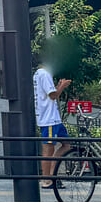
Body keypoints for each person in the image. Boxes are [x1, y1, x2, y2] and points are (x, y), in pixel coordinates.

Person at [34, 50, 72, 189]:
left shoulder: (41, 74)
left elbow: (50, 93)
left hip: (54, 118)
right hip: (49, 118)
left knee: (66, 144)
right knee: (48, 149)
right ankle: (47, 180)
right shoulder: (44, 74)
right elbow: (53, 95)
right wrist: (62, 86)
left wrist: (58, 87)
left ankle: (52, 174)